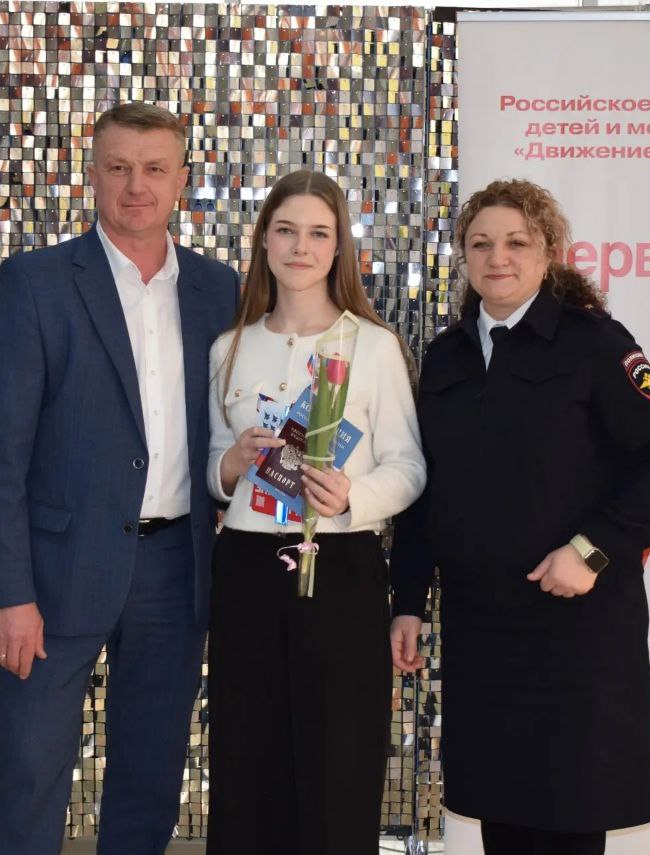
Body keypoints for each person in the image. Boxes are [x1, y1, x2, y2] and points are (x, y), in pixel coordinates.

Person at [389, 179, 650, 855]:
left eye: (516, 242)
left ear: (549, 251)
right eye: (480, 243)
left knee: (569, 819)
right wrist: (406, 599)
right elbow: (424, 491)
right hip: (482, 634)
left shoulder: (595, 344)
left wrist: (591, 550)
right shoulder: (446, 357)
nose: (497, 257)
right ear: (463, 256)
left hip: (577, 633)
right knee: (502, 819)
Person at [0, 103, 239, 854]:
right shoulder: (36, 282)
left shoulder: (220, 290)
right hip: (54, 574)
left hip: (176, 570)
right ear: (92, 175)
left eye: (154, 169)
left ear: (182, 180)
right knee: (30, 773)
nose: (135, 186)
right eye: (118, 167)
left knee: (150, 779)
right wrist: (7, 593)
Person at [205, 169, 426, 855]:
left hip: (341, 569)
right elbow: (212, 466)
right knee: (247, 762)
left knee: (339, 765)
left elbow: (410, 467)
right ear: (263, 241)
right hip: (246, 571)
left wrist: (353, 497)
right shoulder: (229, 347)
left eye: (319, 234)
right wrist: (231, 465)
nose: (301, 247)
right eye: (286, 230)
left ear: (338, 249)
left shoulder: (373, 345)